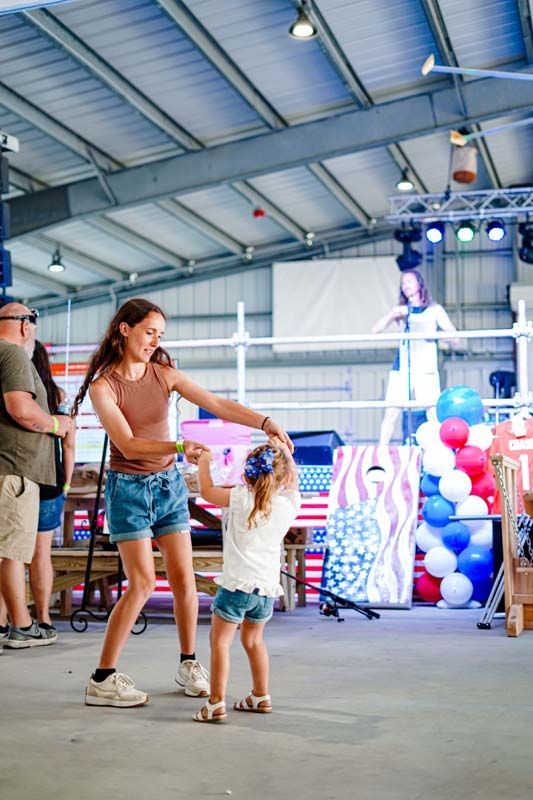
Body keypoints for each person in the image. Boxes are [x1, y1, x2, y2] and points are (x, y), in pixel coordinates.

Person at [74, 298, 293, 708]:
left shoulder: (165, 374)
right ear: (125, 329)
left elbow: (218, 404)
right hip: (129, 489)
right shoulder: (104, 387)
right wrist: (177, 445)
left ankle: (188, 662)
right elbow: (127, 443)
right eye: (149, 332)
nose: (155, 341)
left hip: (169, 487)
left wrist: (264, 422)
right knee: (140, 583)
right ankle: (101, 678)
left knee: (184, 581)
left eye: (160, 335)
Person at [193, 437, 300, 722]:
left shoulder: (241, 497)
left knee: (220, 643)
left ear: (244, 476)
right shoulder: (288, 505)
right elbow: (294, 481)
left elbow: (206, 490)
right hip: (265, 590)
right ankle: (260, 696)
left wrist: (205, 461)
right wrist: (286, 453)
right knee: (254, 642)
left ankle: (215, 704)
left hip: (236, 587)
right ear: (285, 477)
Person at [0, 304, 72, 649]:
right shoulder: (13, 355)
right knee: (12, 552)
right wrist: (58, 425)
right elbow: (21, 408)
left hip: (9, 468)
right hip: (14, 468)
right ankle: (23, 625)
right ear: (25, 327)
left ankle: (5, 625)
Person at [372, 270, 457, 445]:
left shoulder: (435, 310)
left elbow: (455, 338)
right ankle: (381, 450)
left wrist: (432, 335)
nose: (406, 285)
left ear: (419, 284)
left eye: (409, 281)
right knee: (391, 412)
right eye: (403, 283)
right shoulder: (402, 311)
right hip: (402, 367)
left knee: (432, 412)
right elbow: (375, 330)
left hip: (425, 368)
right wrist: (392, 314)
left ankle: (438, 449)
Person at [27, 341, 76, 641]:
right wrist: (66, 483)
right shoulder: (58, 396)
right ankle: (43, 617)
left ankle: (8, 618)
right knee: (41, 554)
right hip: (51, 481)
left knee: (9, 556)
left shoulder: (14, 395)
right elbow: (69, 445)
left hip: (18, 477)